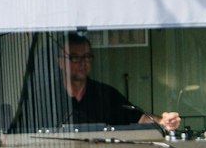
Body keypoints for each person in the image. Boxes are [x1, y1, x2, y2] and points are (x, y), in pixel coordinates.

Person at [17, 33, 181, 131]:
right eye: (75, 57)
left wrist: (162, 121)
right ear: (60, 62)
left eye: (87, 57)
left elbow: (137, 117)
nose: (82, 63)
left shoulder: (106, 94)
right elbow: (22, 132)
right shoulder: (43, 97)